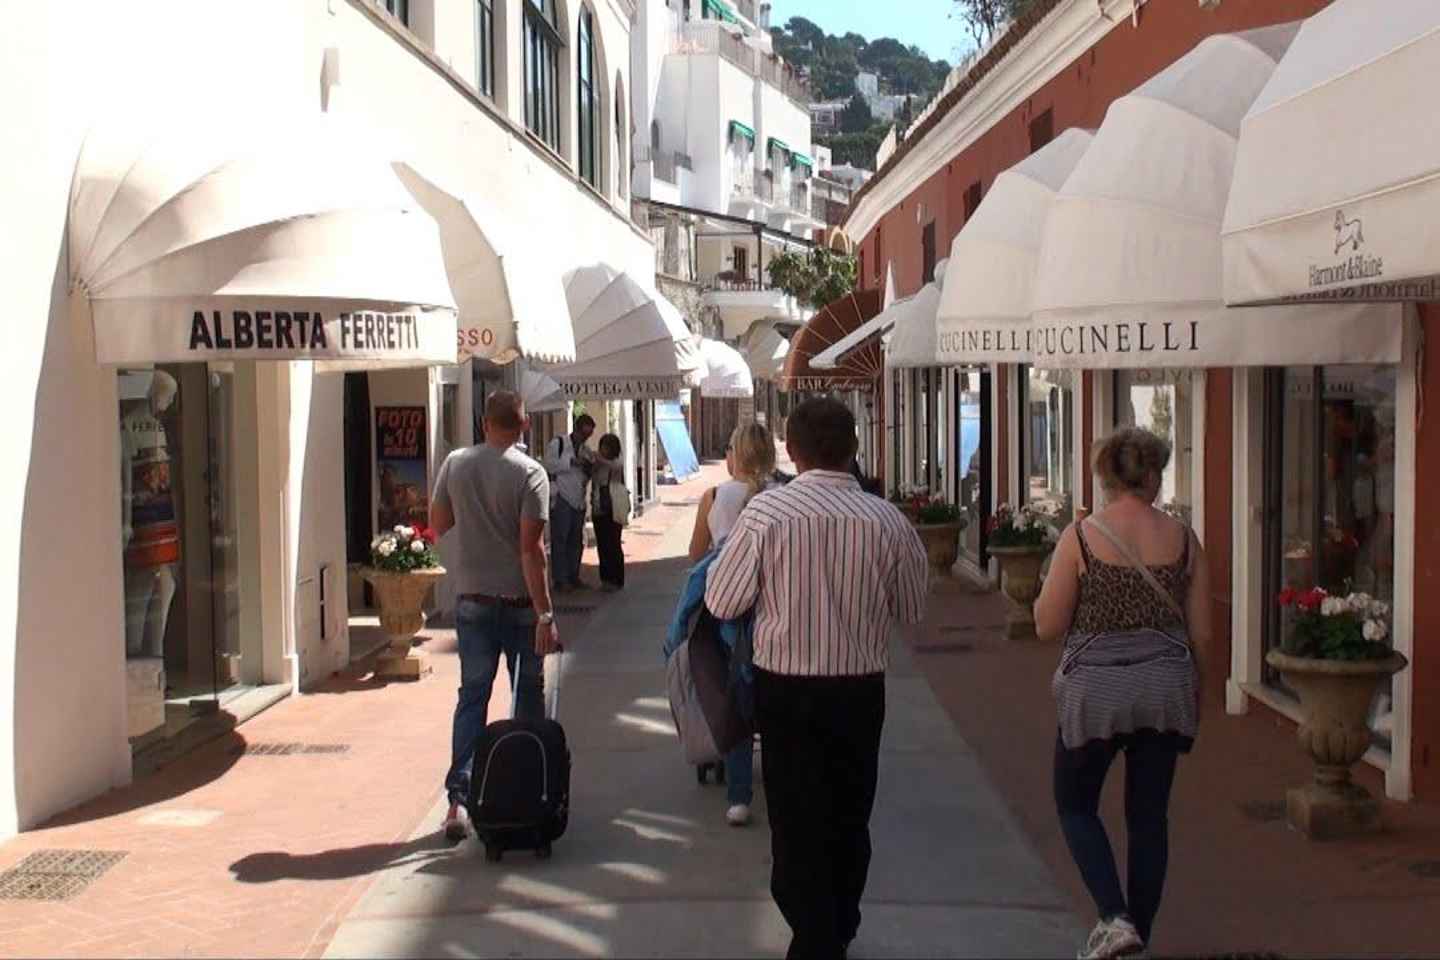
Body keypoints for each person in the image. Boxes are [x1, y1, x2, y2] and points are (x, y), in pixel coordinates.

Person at [706, 398, 928, 960]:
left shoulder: (766, 515)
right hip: (859, 689)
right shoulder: (888, 521)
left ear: (794, 451)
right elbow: (912, 607)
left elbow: (723, 599)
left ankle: (816, 935)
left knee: (795, 816)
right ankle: (834, 925)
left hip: (787, 690)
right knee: (850, 813)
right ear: (853, 449)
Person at [1033, 427, 1211, 959]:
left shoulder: (1082, 537)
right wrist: (1194, 695)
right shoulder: (1184, 539)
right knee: (1148, 817)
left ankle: (1114, 916)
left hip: (1097, 694)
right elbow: (1202, 633)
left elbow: (1046, 625)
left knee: (1075, 804)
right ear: (1154, 476)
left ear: (1105, 477)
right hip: (1164, 688)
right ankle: (1141, 936)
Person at [429, 391, 561, 842]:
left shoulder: (456, 463)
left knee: (473, 698)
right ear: (524, 425)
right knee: (526, 696)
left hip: (472, 601)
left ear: (485, 422)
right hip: (521, 606)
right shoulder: (531, 474)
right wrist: (546, 615)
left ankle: (458, 803)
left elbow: (438, 522)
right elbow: (532, 551)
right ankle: (523, 791)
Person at [686, 421, 777, 827]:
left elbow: (694, 554)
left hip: (728, 611)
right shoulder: (780, 496)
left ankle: (739, 796)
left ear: (734, 456)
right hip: (774, 608)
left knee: (735, 694)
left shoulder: (716, 496)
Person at [544, 414, 596, 592]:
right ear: (576, 429)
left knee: (576, 539)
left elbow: (590, 473)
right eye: (583, 434)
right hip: (562, 497)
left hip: (579, 499)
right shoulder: (558, 444)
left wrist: (589, 466)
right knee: (560, 538)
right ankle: (560, 579)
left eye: (588, 435)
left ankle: (574, 576)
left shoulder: (586, 450)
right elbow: (549, 465)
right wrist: (571, 461)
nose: (585, 438)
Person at [591, 433, 626, 593]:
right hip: (599, 505)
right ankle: (605, 579)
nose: (602, 450)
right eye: (601, 447)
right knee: (602, 544)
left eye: (606, 447)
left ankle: (617, 579)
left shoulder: (617, 462)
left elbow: (613, 467)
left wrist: (598, 459)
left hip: (614, 506)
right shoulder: (598, 464)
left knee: (613, 543)